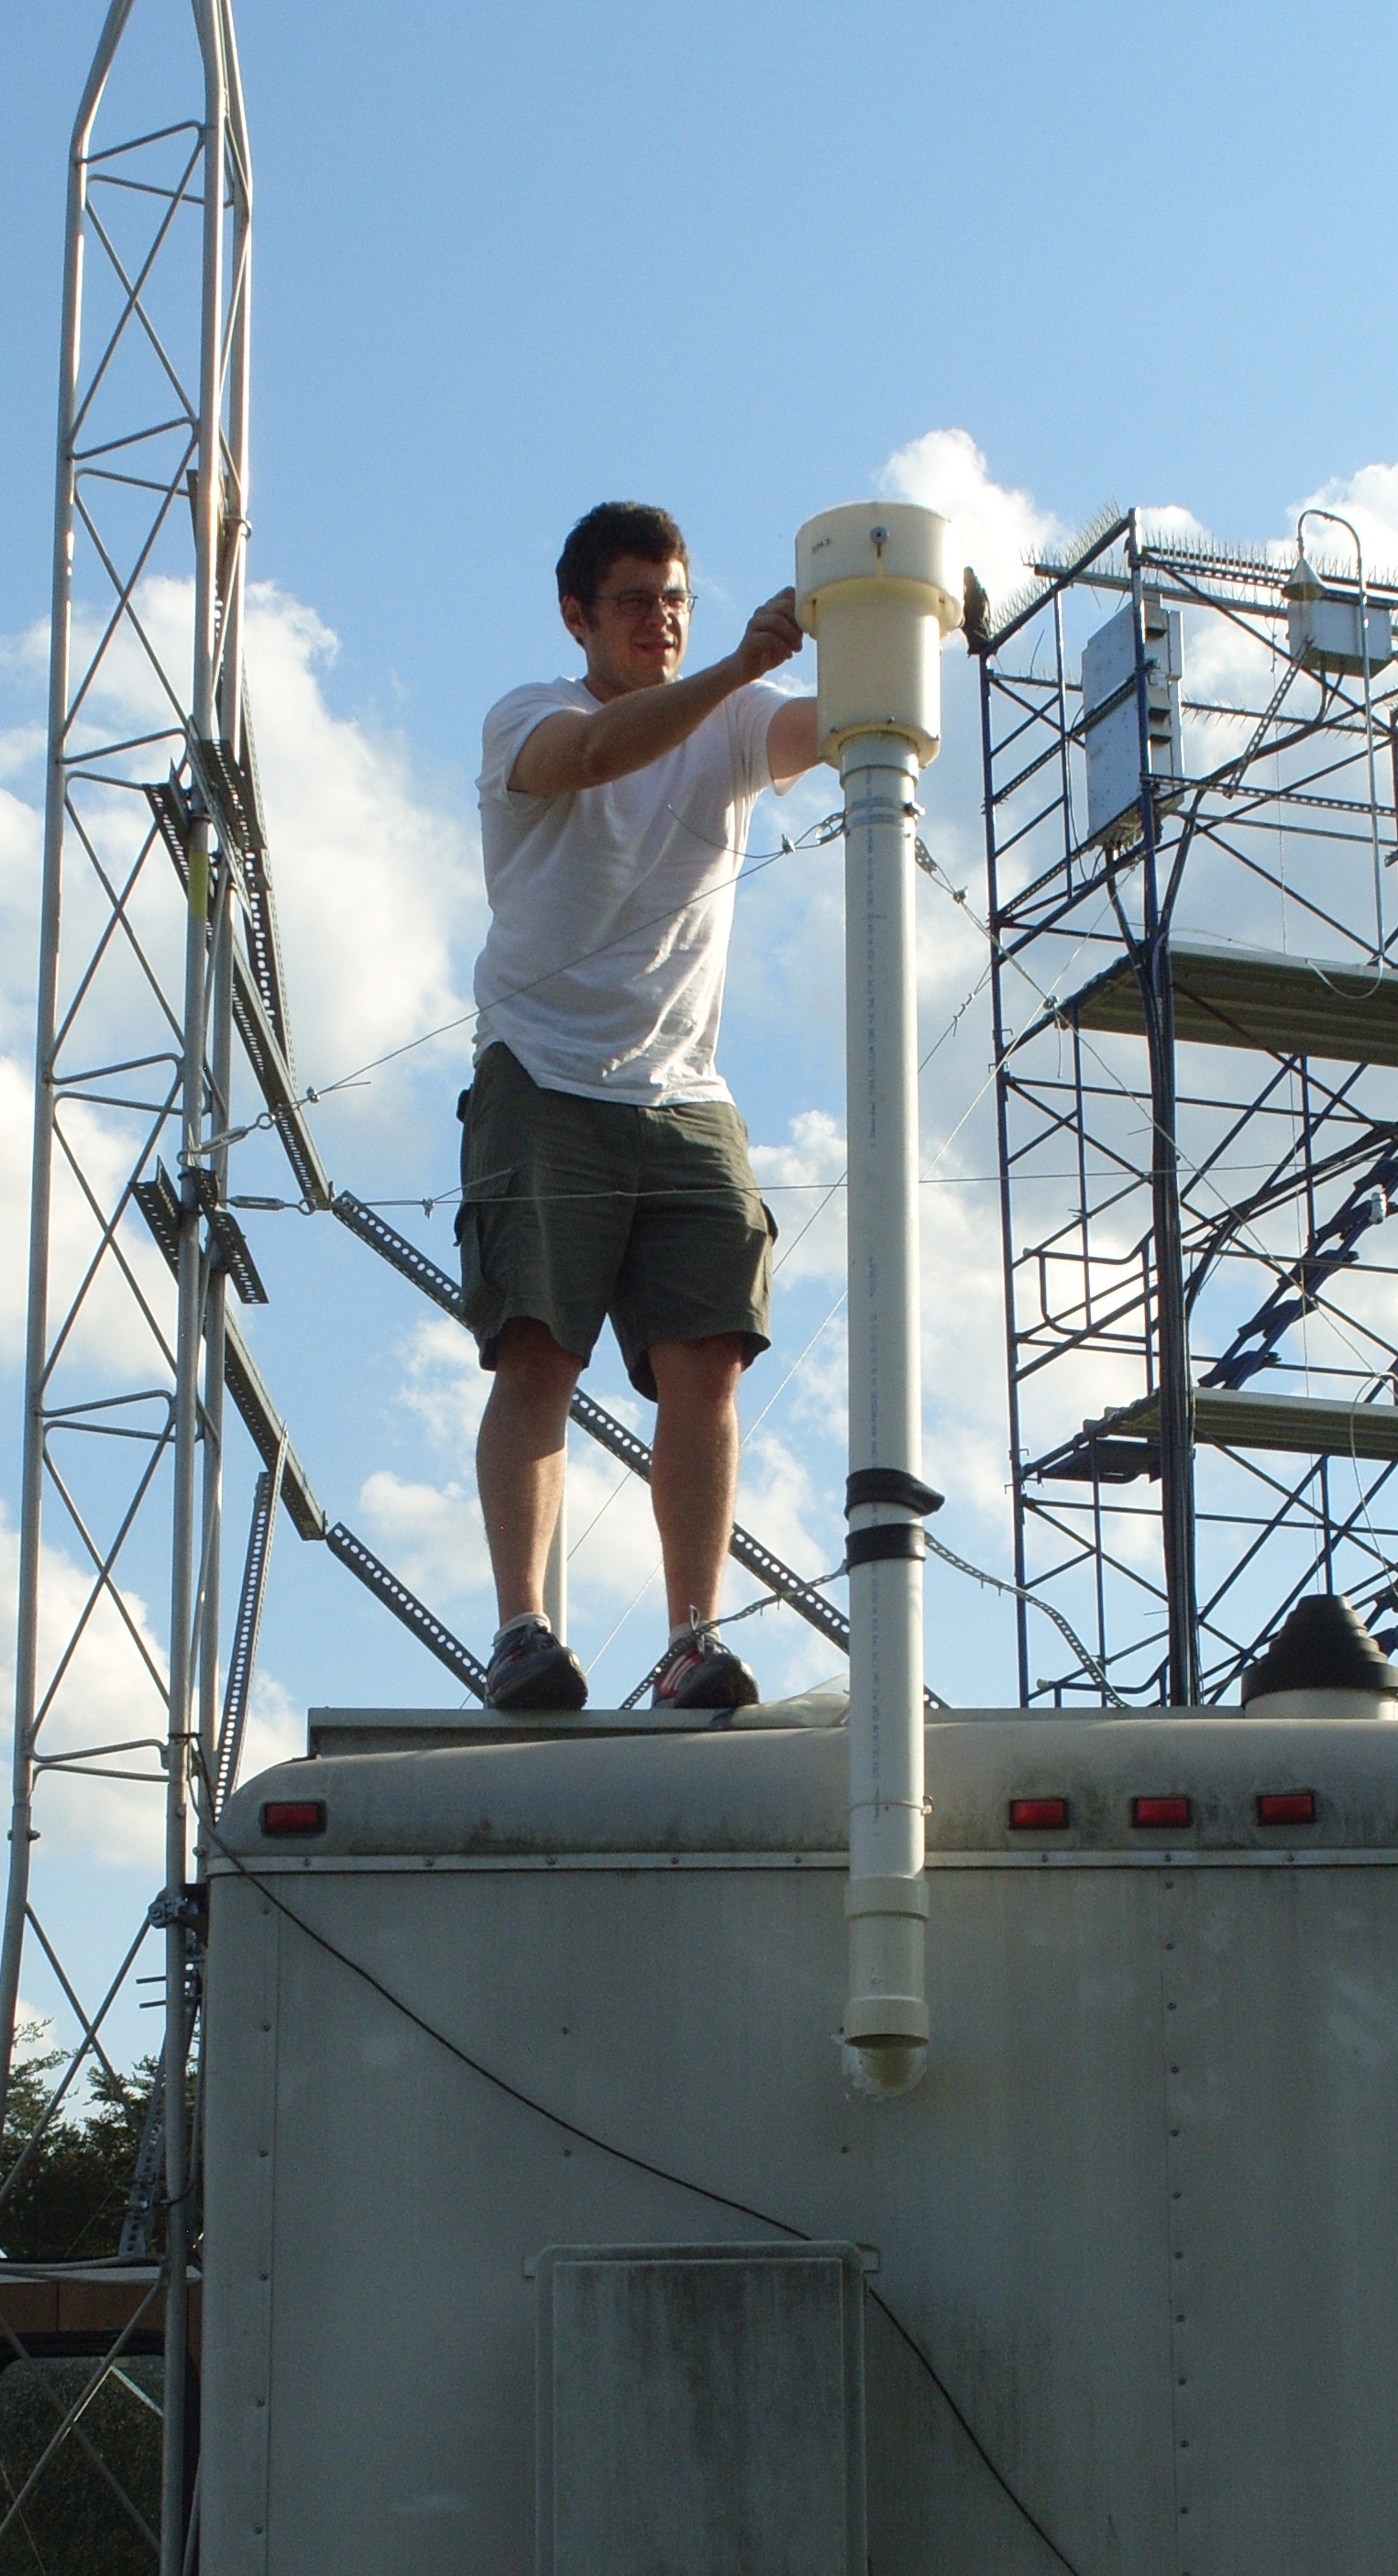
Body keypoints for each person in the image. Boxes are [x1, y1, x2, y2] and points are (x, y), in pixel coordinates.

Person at [459, 500, 821, 1713]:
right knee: (539, 1355)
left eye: (677, 600)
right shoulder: (534, 714)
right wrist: (741, 664)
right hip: (545, 1072)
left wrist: (897, 618)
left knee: (708, 1364)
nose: (661, 622)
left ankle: (690, 1640)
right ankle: (523, 1628)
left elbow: (849, 724)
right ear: (578, 615)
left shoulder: (738, 717)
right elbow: (599, 758)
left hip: (686, 1093)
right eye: (634, 602)